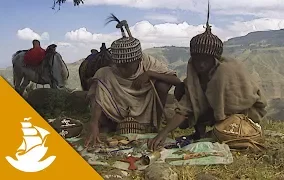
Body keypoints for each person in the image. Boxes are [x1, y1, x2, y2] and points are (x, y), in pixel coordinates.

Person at [148, 6, 267, 151]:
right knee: (182, 89)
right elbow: (187, 106)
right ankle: (202, 133)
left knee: (227, 134)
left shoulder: (225, 71)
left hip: (244, 113)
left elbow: (233, 103)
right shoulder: (195, 72)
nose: (201, 64)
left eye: (205, 60)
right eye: (197, 59)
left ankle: (221, 133)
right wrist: (163, 133)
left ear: (214, 59)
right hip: (217, 111)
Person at [85, 15, 181, 147]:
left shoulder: (146, 62)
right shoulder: (107, 72)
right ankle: (112, 125)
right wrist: (94, 123)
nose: (122, 70)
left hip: (145, 103)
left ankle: (153, 126)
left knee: (163, 85)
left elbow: (176, 81)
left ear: (137, 60)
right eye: (119, 65)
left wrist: (150, 74)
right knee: (99, 81)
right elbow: (100, 99)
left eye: (127, 66)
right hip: (119, 110)